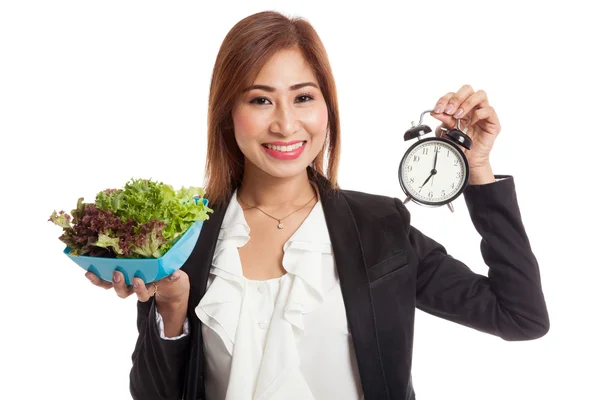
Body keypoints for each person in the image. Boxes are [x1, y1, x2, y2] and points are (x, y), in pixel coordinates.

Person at [86, 10, 549, 400]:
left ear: (327, 107)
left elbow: (520, 316)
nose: (286, 124)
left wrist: (480, 172)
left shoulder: (381, 227)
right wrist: (170, 311)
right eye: (260, 99)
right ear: (229, 115)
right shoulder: (185, 235)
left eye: (303, 97)